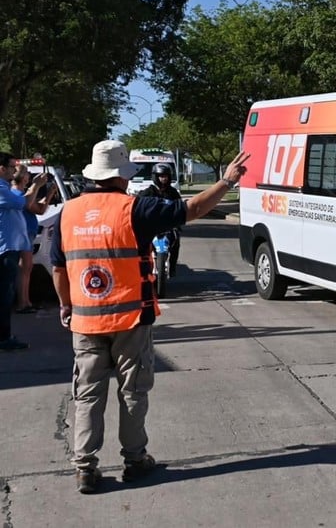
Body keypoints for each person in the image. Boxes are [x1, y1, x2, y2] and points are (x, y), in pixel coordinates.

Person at [50, 140, 250, 493]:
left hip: (85, 323)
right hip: (130, 321)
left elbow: (58, 268)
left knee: (88, 395)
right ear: (123, 177)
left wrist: (66, 305)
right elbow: (192, 209)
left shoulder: (69, 212)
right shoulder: (135, 209)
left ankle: (85, 467)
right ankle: (135, 460)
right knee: (132, 392)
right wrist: (227, 181)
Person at [0, 154, 48, 351]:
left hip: (10, 247)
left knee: (6, 293)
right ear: (1, 168)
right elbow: (23, 203)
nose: (13, 171)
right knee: (4, 295)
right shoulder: (2, 189)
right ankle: (3, 338)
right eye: (11, 167)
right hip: (5, 249)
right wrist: (36, 186)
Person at [12, 164, 57, 313]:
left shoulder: (23, 194)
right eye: (26, 173)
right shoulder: (18, 195)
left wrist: (49, 193)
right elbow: (34, 207)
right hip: (23, 234)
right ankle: (22, 303)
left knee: (27, 268)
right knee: (24, 269)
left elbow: (40, 209)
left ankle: (26, 301)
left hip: (28, 233)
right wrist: (37, 186)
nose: (29, 176)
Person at [138, 163, 183, 276]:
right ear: (155, 177)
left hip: (168, 225)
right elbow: (138, 205)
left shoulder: (173, 192)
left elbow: (180, 207)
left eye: (166, 176)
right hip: (151, 226)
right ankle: (140, 266)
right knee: (140, 243)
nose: (164, 178)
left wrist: (179, 220)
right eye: (161, 176)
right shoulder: (148, 192)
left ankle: (172, 266)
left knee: (176, 240)